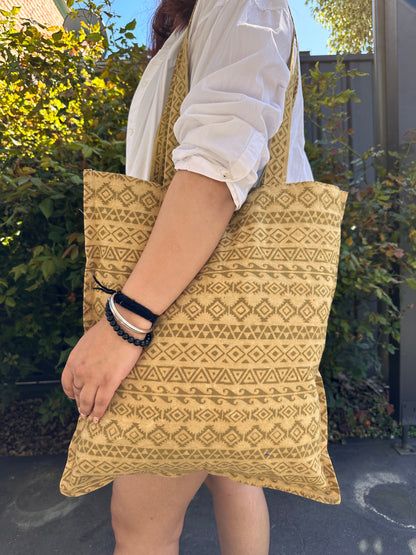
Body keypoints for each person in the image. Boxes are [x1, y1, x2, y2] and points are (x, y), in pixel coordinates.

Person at [61, 1, 314, 553]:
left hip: (170, 306)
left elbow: (216, 170)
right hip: (227, 315)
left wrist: (126, 321)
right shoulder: (201, 21)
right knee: (234, 478)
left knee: (139, 528)